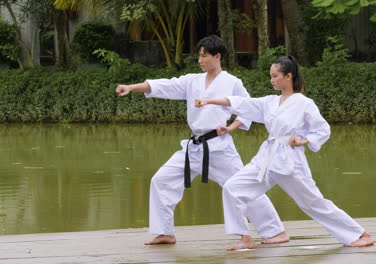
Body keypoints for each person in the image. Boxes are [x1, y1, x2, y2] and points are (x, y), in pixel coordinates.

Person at [115, 35, 289, 245]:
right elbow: (163, 86)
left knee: (243, 187)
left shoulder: (232, 82)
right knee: (161, 180)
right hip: (193, 147)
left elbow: (249, 110)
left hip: (220, 147)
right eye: (199, 55)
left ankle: (274, 231)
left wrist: (231, 127)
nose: (200, 60)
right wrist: (132, 87)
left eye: (204, 55)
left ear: (217, 56)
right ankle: (165, 232)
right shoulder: (192, 81)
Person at [194, 56, 375, 250]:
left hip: (290, 161)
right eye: (270, 76)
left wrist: (303, 140)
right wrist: (208, 101)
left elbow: (322, 130)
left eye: (275, 76)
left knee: (312, 202)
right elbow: (240, 103)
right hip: (267, 158)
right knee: (232, 187)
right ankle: (244, 237)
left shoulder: (304, 103)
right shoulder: (269, 102)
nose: (271, 80)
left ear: (288, 76)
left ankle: (359, 234)